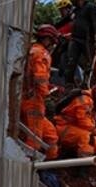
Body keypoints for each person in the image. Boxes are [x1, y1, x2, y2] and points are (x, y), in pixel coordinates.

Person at [21, 25, 61, 159]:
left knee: (51, 135)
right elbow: (40, 77)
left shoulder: (31, 50)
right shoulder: (41, 54)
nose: (52, 46)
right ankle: (28, 164)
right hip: (34, 101)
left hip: (26, 98)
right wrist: (47, 96)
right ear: (47, 39)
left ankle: (49, 164)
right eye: (52, 42)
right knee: (35, 139)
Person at [54, 81, 96, 157]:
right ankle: (85, 160)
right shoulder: (84, 102)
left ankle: (74, 151)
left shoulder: (92, 98)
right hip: (65, 128)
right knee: (87, 137)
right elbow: (85, 124)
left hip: (76, 128)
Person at [61, 0, 96, 86]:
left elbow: (95, 21)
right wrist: (53, 27)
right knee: (71, 61)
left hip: (87, 40)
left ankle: (88, 83)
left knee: (90, 63)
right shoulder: (76, 10)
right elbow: (66, 20)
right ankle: (69, 84)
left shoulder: (90, 7)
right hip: (75, 39)